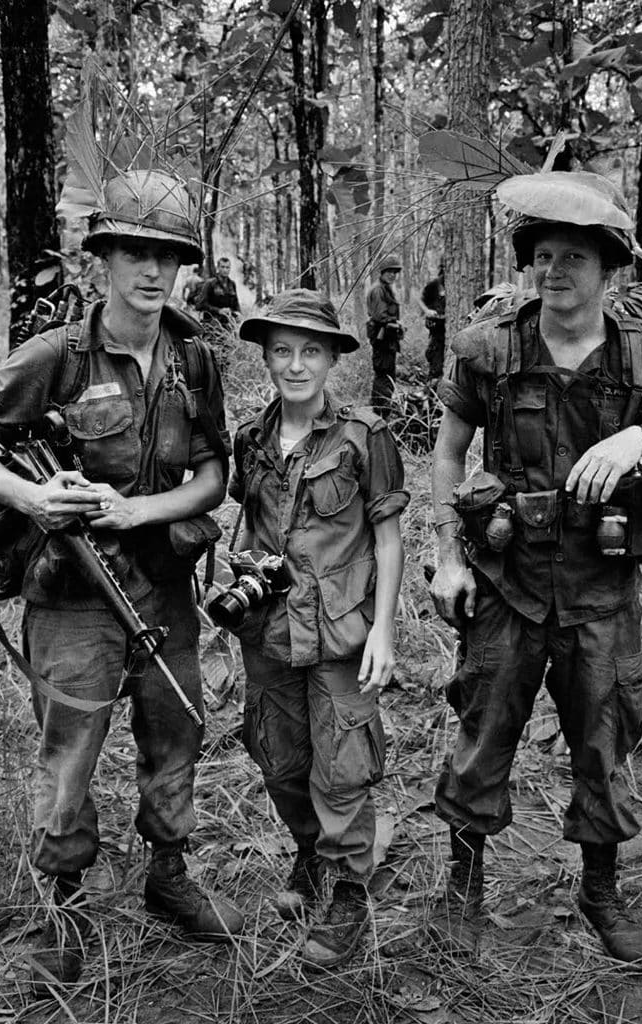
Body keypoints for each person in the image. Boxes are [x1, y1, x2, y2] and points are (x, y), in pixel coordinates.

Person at [0, 167, 244, 993]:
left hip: (162, 586)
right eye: (133, 254)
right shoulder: (53, 357)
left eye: (166, 256)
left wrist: (140, 512)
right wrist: (32, 494)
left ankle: (168, 878)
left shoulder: (194, 361)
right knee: (70, 757)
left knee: (177, 735)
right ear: (103, 262)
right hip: (71, 599)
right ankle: (64, 909)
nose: (152, 272)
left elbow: (212, 476)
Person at [429, 171, 642, 963]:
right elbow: (445, 451)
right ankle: (462, 882)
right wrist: (445, 555)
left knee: (604, 740)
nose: (554, 270)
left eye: (574, 255)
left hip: (601, 589)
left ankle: (599, 890)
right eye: (541, 254)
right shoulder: (489, 349)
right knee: (482, 727)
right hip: (506, 582)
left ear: (607, 268)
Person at [221, 289, 409, 969]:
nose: (294, 365)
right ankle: (309, 853)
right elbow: (252, 523)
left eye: (308, 352)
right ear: (266, 358)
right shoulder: (249, 438)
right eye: (281, 351)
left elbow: (387, 540)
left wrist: (383, 632)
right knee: (280, 757)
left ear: (331, 359)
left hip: (341, 630)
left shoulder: (364, 435)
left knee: (342, 768)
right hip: (270, 631)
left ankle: (350, 892)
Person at [366, 254, 404, 416]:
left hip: (389, 339)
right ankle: (379, 411)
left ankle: (383, 408)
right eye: (389, 271)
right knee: (383, 374)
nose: (393, 275)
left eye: (395, 272)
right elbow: (380, 316)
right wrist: (396, 322)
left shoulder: (386, 289)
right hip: (382, 340)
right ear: (382, 272)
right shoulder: (378, 290)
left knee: (388, 374)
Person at [195, 256, 241, 371]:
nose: (225, 269)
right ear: (218, 268)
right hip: (212, 325)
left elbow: (235, 303)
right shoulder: (210, 284)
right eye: (223, 267)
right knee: (212, 355)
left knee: (227, 355)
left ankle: (224, 378)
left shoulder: (232, 284)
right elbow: (200, 305)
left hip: (227, 327)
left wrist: (238, 313)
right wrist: (218, 310)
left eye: (227, 267)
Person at [419, 261, 446, 381]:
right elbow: (420, 300)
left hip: (453, 334)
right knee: (436, 369)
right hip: (437, 334)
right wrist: (428, 311)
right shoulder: (434, 285)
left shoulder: (461, 283)